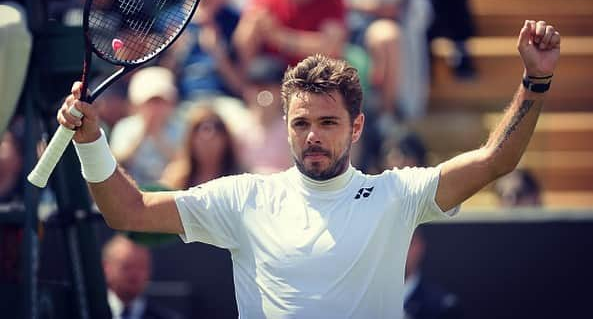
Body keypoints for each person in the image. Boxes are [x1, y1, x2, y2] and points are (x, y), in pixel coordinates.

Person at [58, 20, 559, 318]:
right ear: (286, 126)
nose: (313, 135)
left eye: (328, 122)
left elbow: (498, 160)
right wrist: (91, 141)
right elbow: (130, 212)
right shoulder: (243, 198)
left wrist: (535, 79)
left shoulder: (397, 194)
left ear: (357, 127)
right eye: (301, 123)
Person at [315, 0, 433, 122]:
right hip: (336, 23)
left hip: (374, 25)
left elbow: (394, 5)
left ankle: (385, 116)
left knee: (387, 36)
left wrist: (352, 3)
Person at [109, 67, 183, 186]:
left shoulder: (181, 127)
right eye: (150, 102)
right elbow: (117, 164)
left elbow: (184, 164)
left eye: (160, 102)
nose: (155, 108)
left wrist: (158, 135)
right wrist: (142, 133)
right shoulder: (124, 128)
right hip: (133, 191)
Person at [235, 57, 293, 174]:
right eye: (256, 86)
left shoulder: (294, 128)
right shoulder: (236, 127)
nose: (262, 93)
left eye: (268, 86)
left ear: (282, 91)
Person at [102, 234, 184, 319]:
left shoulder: (166, 317)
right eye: (127, 266)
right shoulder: (90, 312)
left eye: (141, 267)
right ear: (105, 267)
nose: (135, 274)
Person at [160, 106, 242, 189]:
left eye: (217, 128)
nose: (208, 136)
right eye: (198, 127)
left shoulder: (240, 179)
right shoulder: (176, 178)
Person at [404, 228, 462, 319]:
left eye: (408, 243)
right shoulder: (375, 299)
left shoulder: (441, 305)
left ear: (420, 247)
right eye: (395, 245)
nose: (402, 252)